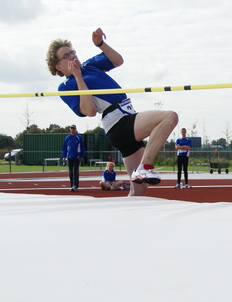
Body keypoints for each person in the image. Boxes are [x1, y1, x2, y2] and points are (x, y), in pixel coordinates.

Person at [47, 27, 178, 197]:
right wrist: (78, 76)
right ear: (58, 66)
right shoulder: (65, 86)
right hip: (117, 123)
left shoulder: (90, 65)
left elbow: (118, 61)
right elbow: (89, 111)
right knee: (169, 117)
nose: (73, 56)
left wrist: (101, 44)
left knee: (139, 189)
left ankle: (128, 218)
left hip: (126, 118)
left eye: (73, 52)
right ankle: (144, 167)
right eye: (66, 56)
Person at [62, 124, 86, 192]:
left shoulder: (78, 137)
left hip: (77, 156)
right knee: (70, 172)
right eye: (71, 128)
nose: (73, 130)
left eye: (74, 128)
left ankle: (75, 185)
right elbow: (65, 147)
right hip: (69, 156)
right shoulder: (67, 138)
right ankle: (72, 185)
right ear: (70, 129)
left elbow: (82, 147)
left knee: (75, 171)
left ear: (75, 129)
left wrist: (82, 156)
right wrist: (64, 156)